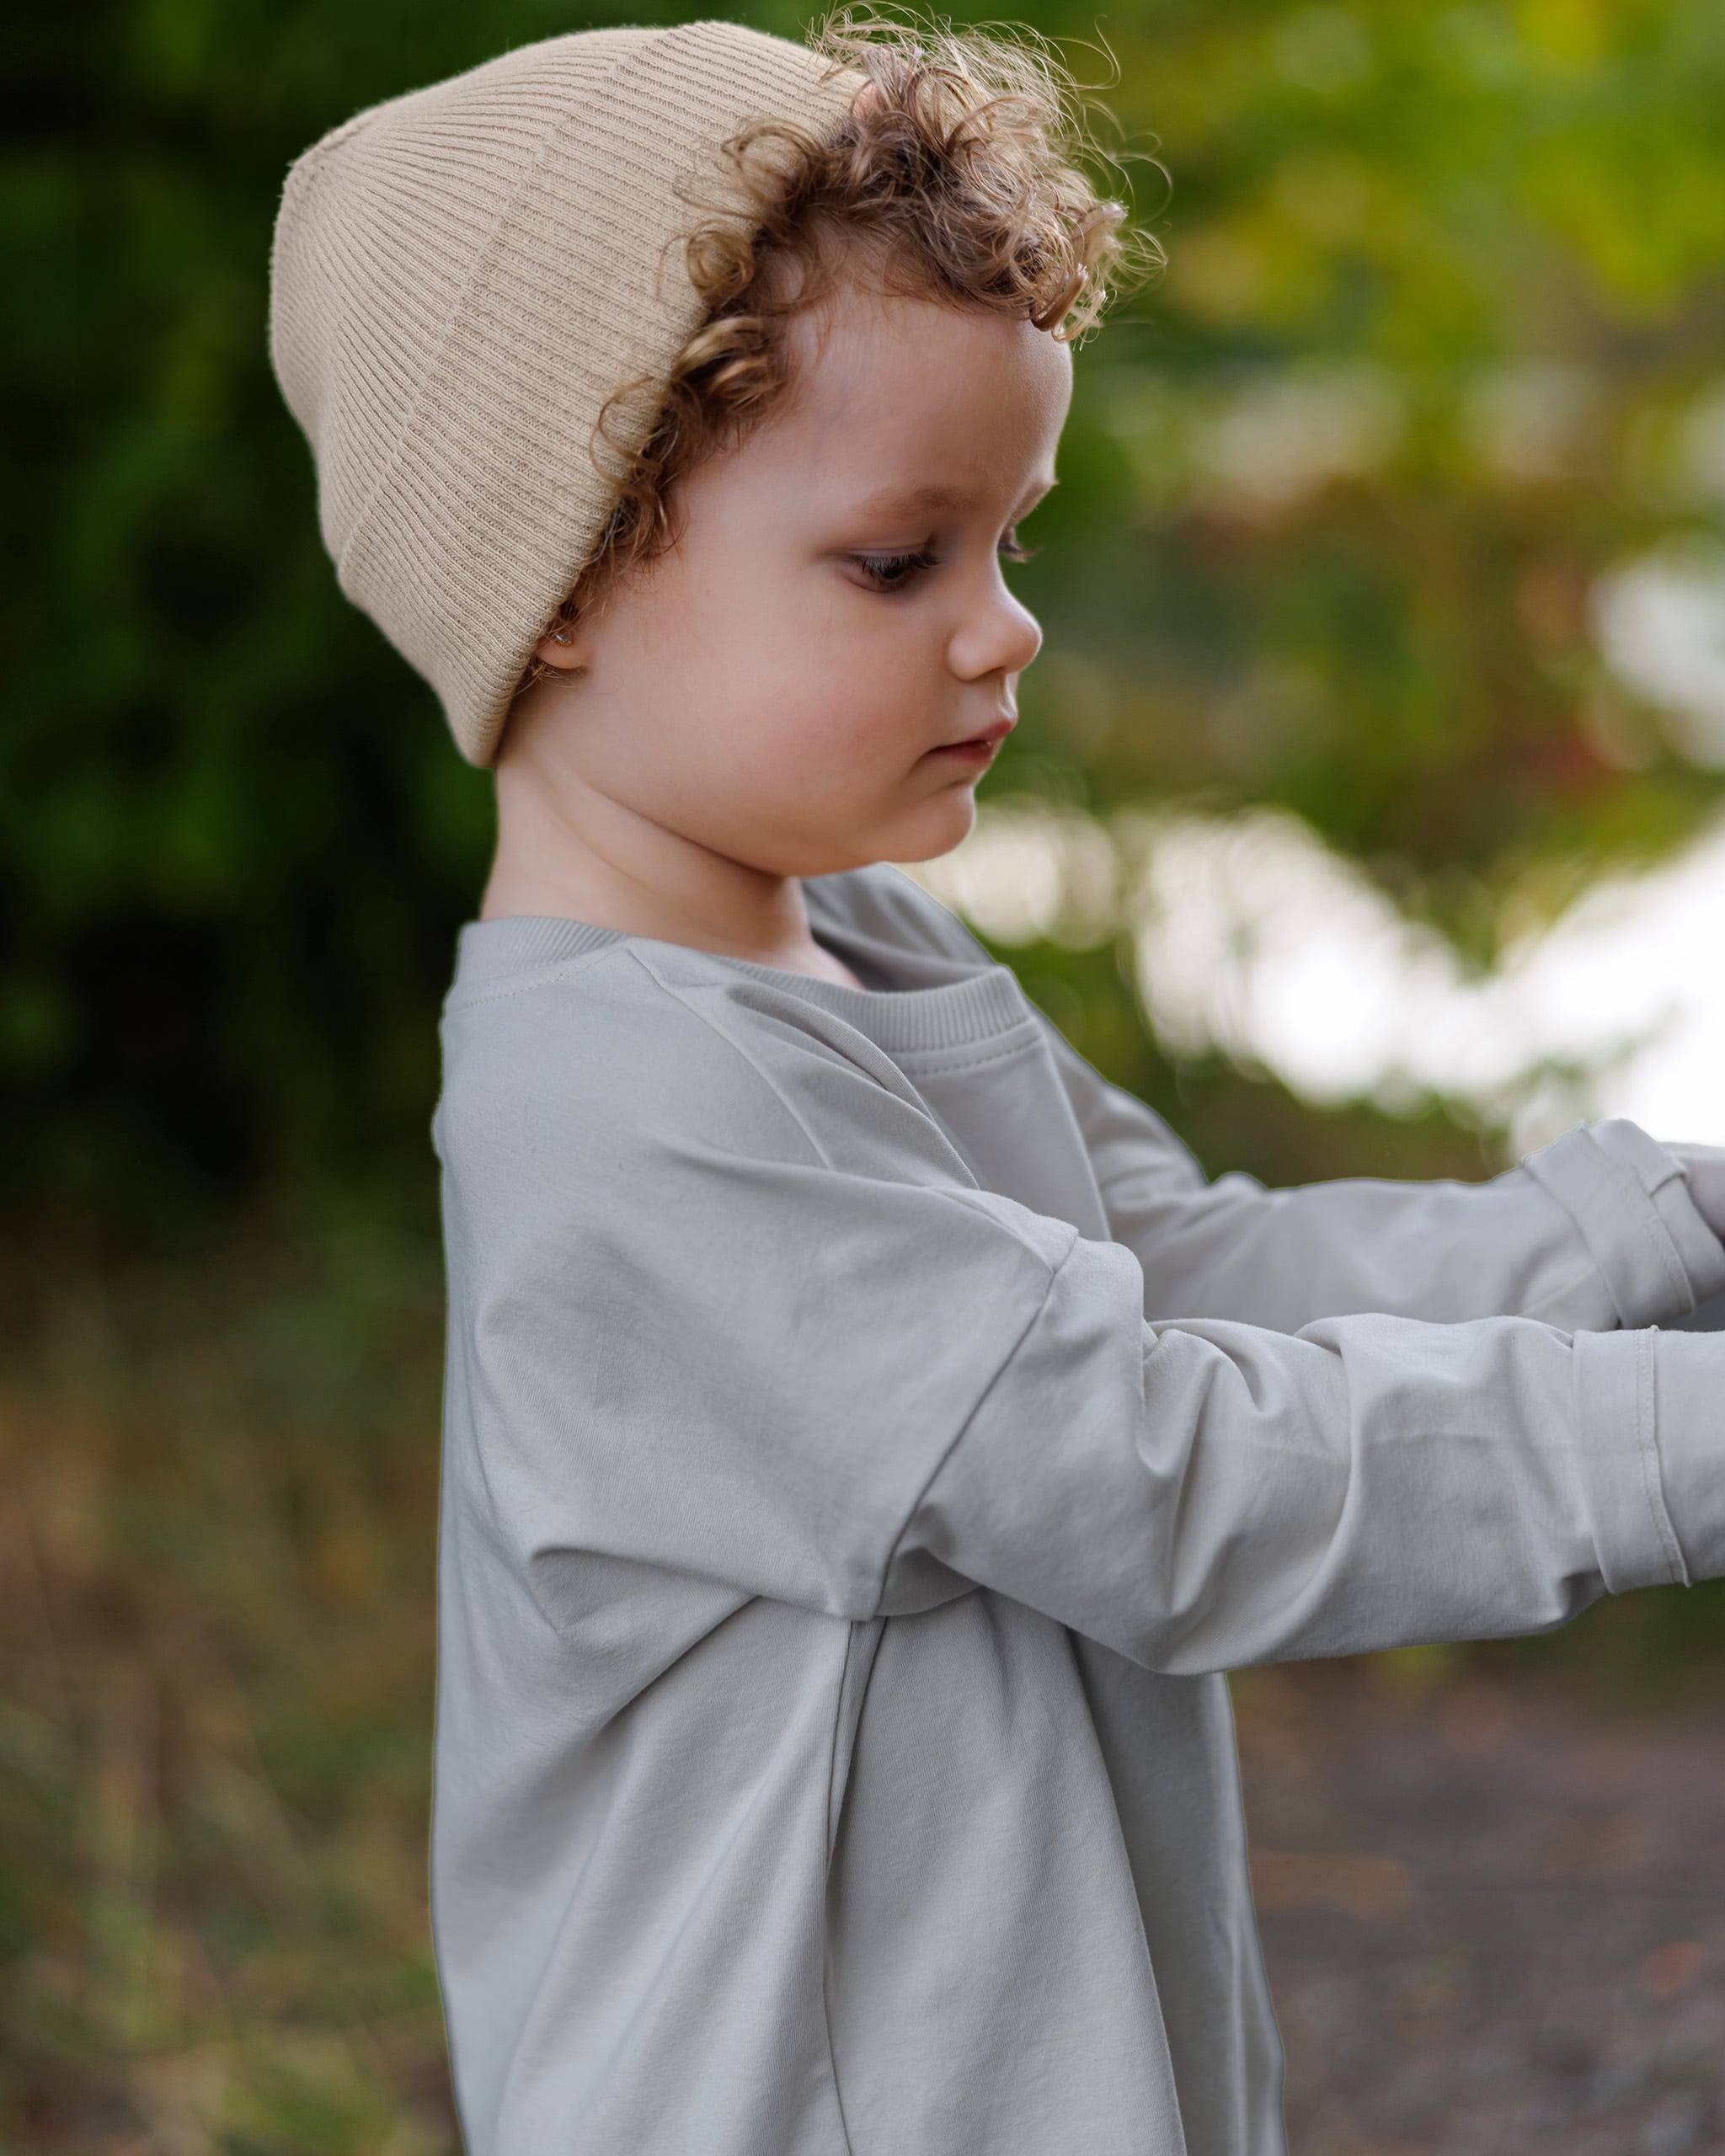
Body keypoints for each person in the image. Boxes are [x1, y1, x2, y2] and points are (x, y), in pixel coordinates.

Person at [269, 16, 1725, 2153]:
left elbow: (1185, 1271)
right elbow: (1166, 1476)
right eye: (898, 561)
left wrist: (1660, 1229)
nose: (1003, 629)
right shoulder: (623, 1116)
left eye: (1010, 542)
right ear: (560, 578)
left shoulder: (849, 937)